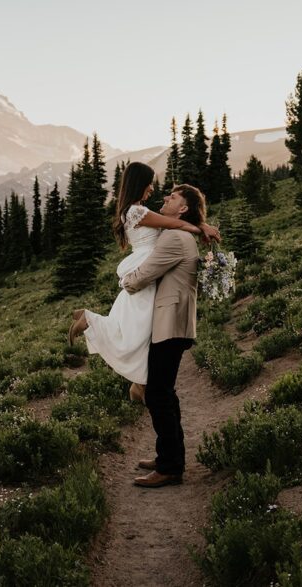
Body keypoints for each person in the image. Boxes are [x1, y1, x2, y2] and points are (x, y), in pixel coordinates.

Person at [68, 163, 217, 403]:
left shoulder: (136, 210)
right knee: (139, 327)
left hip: (150, 263)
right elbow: (177, 223)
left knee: (144, 326)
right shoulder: (137, 212)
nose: (152, 189)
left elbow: (175, 222)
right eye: (149, 183)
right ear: (140, 183)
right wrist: (201, 228)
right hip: (147, 263)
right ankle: (90, 321)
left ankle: (140, 383)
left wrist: (199, 227)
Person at [120, 183, 207, 488]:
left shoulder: (173, 238)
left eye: (172, 198)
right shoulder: (177, 233)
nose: (165, 200)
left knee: (158, 394)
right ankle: (168, 457)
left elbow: (144, 276)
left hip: (171, 326)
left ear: (182, 208)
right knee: (164, 393)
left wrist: (124, 281)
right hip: (173, 324)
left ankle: (170, 467)